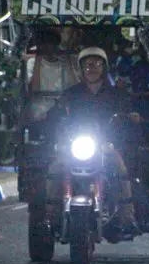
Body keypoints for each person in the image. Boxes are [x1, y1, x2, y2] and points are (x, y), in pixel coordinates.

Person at [46, 47, 143, 237]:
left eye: (97, 64)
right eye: (88, 64)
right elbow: (56, 114)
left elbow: (126, 115)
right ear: (81, 68)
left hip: (105, 145)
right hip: (75, 145)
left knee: (121, 168)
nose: (92, 68)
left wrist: (131, 117)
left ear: (104, 67)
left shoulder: (116, 94)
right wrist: (52, 116)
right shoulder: (71, 94)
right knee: (54, 169)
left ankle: (127, 216)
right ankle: (50, 216)